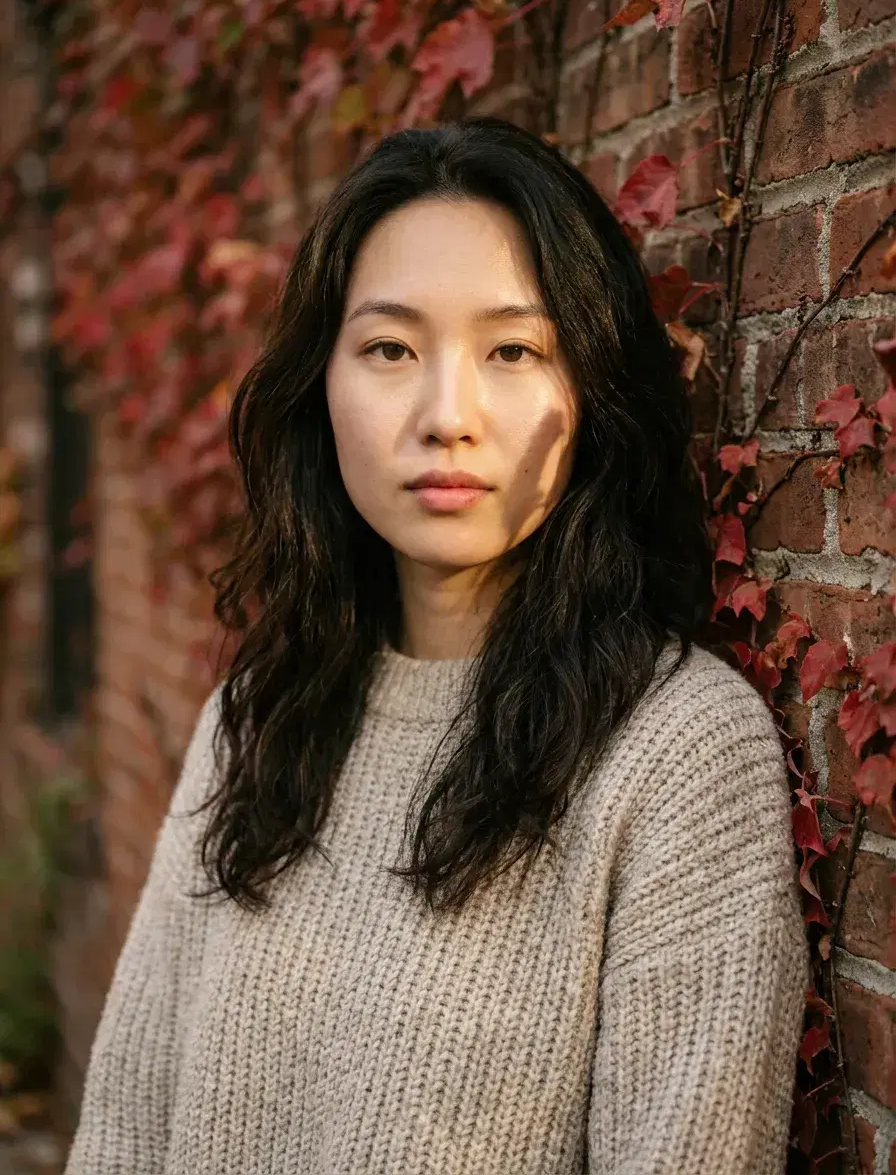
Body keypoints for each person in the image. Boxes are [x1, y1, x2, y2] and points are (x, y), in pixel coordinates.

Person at [63, 115, 810, 1175]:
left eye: (511, 350)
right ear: (320, 389)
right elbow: (124, 1137)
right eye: (389, 349)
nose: (446, 414)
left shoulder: (675, 753)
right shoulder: (254, 720)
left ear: (588, 390)